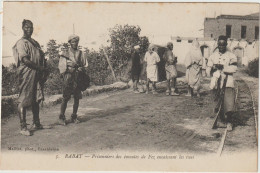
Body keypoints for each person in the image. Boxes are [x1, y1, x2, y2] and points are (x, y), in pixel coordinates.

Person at [12, 19, 48, 136]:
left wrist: (44, 68)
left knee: (36, 98)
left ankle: (36, 123)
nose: (29, 29)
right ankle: (23, 127)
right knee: (24, 98)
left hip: (37, 73)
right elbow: (25, 60)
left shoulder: (34, 42)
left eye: (31, 27)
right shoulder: (21, 43)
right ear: (23, 28)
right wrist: (39, 67)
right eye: (27, 27)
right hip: (27, 73)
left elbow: (41, 56)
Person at [207, 35, 237, 131]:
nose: (221, 47)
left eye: (223, 45)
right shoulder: (213, 56)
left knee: (228, 101)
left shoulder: (231, 55)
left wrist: (223, 67)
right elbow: (207, 70)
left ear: (226, 45)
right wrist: (213, 68)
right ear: (217, 45)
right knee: (217, 101)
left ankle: (229, 121)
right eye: (219, 45)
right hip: (216, 82)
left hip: (227, 80)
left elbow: (234, 68)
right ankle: (220, 119)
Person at [58, 34, 88, 125]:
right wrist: (70, 67)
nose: (75, 43)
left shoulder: (81, 53)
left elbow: (85, 65)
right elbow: (61, 67)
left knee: (77, 97)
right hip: (68, 78)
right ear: (70, 42)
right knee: (65, 97)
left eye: (76, 41)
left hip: (78, 78)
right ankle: (61, 117)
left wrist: (81, 68)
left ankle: (74, 116)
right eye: (73, 41)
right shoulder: (65, 53)